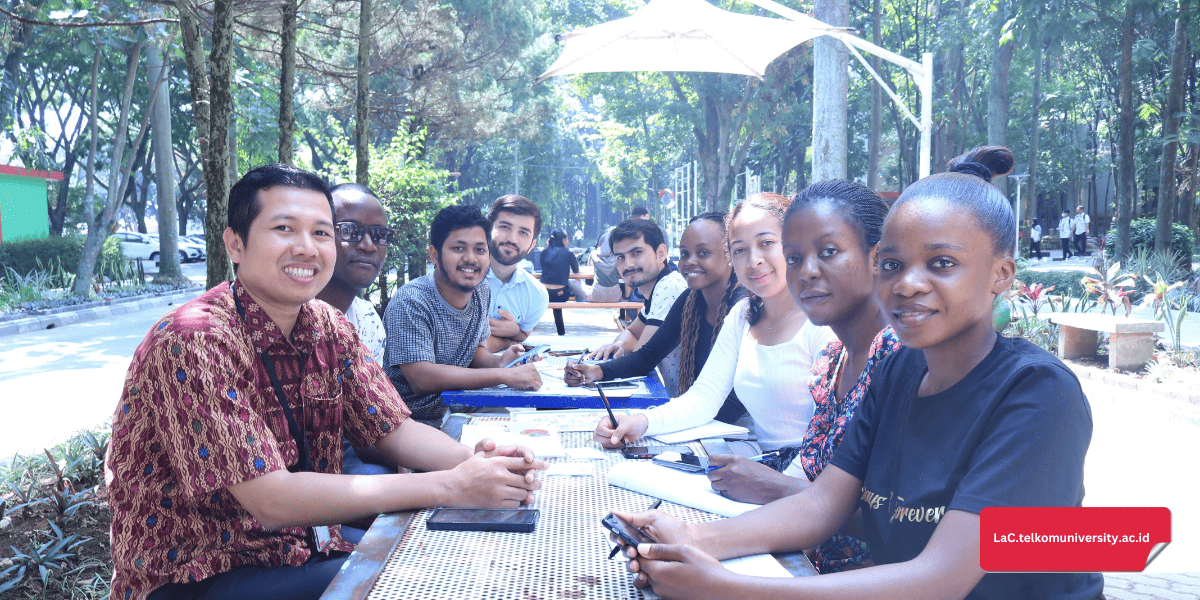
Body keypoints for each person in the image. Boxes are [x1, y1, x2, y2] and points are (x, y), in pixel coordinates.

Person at [612, 147, 1102, 600]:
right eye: (892, 263)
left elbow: (941, 578)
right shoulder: (901, 370)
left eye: (942, 263)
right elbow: (822, 505)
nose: (908, 284)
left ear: (1001, 274)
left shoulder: (1038, 395)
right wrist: (691, 536)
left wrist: (727, 587)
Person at [106, 164, 546, 600]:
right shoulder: (195, 338)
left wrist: (484, 461)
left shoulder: (327, 325)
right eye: (284, 228)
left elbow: (391, 428)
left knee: (460, 564)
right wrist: (450, 485)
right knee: (419, 584)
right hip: (199, 574)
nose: (306, 248)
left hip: (298, 549)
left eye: (320, 232)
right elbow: (271, 500)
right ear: (235, 244)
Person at [705, 180, 900, 575]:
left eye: (829, 252)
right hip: (813, 568)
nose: (807, 272)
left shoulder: (907, 362)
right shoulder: (832, 363)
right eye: (793, 257)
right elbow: (818, 494)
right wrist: (688, 541)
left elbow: (943, 542)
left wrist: (711, 560)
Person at [593, 193, 835, 458]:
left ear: (793, 245)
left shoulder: (824, 323)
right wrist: (639, 422)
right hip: (761, 461)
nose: (753, 260)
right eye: (740, 249)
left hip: (806, 479)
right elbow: (705, 397)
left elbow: (836, 444)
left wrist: (771, 481)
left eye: (766, 243)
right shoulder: (743, 315)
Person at [565, 212, 748, 419]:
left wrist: (673, 423)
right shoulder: (691, 299)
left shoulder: (743, 308)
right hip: (696, 416)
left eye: (703, 253)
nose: (689, 262)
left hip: (741, 433)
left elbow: (734, 399)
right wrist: (594, 372)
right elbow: (647, 356)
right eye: (685, 254)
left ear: (730, 255)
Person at [384, 205, 542, 428]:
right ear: (434, 255)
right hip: (412, 419)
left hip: (462, 404)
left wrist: (502, 362)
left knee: (521, 432)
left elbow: (476, 351)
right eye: (459, 248)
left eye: (480, 250)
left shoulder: (481, 291)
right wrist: (503, 376)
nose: (471, 259)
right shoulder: (411, 301)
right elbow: (421, 377)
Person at [314, 183, 399, 486]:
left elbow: (371, 420)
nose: (367, 245)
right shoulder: (288, 314)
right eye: (349, 230)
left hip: (348, 452)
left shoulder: (365, 318)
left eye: (379, 235)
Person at [587, 218, 689, 393]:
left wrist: (595, 371)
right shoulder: (659, 286)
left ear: (661, 253)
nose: (628, 264)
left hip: (698, 410)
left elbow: (641, 357)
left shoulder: (670, 287)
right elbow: (633, 333)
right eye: (621, 257)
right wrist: (618, 346)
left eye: (636, 253)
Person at [483, 194, 548, 352]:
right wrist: (508, 341)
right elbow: (457, 342)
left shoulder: (536, 294)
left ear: (532, 245)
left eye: (523, 232)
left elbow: (524, 335)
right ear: (488, 229)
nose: (512, 239)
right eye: (505, 227)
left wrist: (515, 331)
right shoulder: (462, 277)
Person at [541, 228, 585, 335]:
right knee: (567, 288)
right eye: (567, 239)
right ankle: (561, 332)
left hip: (543, 293)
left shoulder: (544, 252)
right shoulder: (568, 253)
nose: (568, 241)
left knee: (554, 292)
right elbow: (576, 272)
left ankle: (561, 332)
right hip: (560, 294)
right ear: (563, 240)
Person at [588, 227, 623, 303]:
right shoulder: (618, 257)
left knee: (576, 284)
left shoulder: (594, 254)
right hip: (615, 296)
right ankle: (621, 314)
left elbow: (589, 267)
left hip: (597, 294)